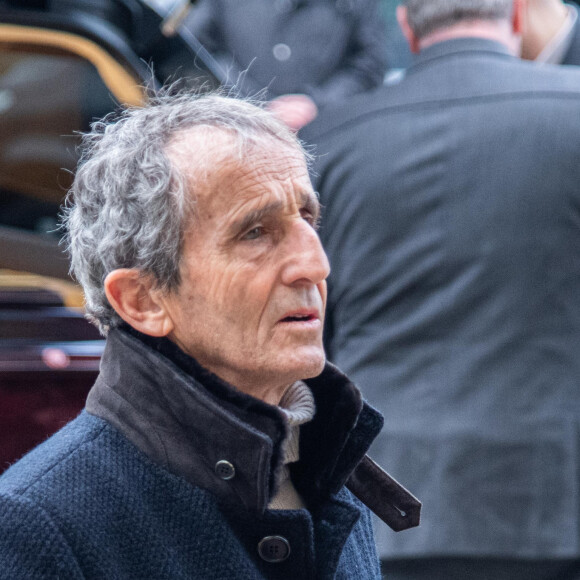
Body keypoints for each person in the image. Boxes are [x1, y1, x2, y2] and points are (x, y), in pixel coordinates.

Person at [0, 92, 419, 579]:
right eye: (255, 232)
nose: (315, 264)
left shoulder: (325, 465)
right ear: (143, 300)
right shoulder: (38, 526)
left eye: (307, 218)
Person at [300, 0, 580, 578]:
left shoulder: (327, 142)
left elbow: (302, 333)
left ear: (406, 25)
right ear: (519, 16)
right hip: (557, 496)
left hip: (382, 501)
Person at [184, 0, 388, 131]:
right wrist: (250, 103)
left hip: (319, 136)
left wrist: (316, 103)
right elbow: (192, 48)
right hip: (237, 131)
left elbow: (369, 63)